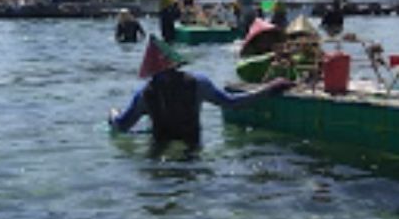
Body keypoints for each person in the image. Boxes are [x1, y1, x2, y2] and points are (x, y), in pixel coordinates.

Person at [108, 36, 290, 145]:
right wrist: (269, 88)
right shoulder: (198, 83)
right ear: (175, 63)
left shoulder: (144, 93)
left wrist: (113, 114)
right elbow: (232, 103)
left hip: (158, 152)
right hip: (192, 147)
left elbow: (122, 125)